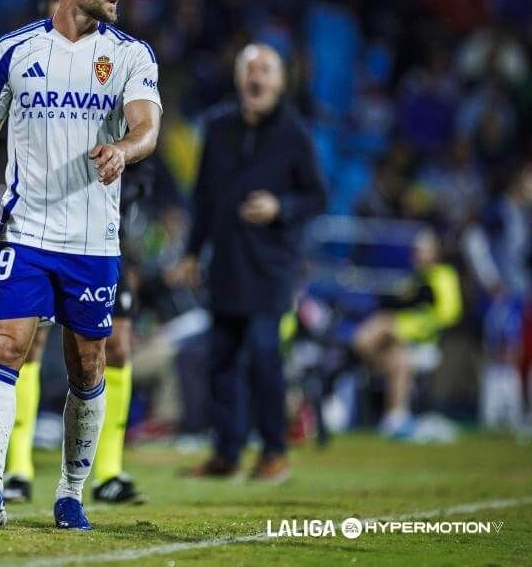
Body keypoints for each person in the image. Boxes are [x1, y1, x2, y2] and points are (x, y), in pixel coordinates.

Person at [0, 0, 161, 531]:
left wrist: (125, 149)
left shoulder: (130, 54)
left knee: (87, 368)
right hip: (25, 232)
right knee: (5, 348)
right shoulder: (13, 51)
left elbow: (147, 125)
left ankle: (71, 491)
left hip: (93, 244)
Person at [171, 44, 327, 483]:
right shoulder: (218, 127)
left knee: (263, 354)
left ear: (280, 82)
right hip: (226, 262)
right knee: (220, 358)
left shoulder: (294, 131)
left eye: (266, 70)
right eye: (250, 69)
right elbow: (202, 196)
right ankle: (226, 452)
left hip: (272, 264)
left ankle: (274, 450)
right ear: (240, 79)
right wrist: (190, 252)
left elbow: (317, 195)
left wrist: (280, 207)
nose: (257, 77)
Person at [2, 159, 154, 506]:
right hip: (42, 233)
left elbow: (144, 168)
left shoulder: (125, 108)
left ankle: (108, 474)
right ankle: (18, 469)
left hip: (103, 237)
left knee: (114, 346)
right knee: (29, 342)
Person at [353, 227, 462, 437]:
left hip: (423, 340)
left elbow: (447, 315)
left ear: (435, 251)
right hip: (399, 337)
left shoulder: (443, 276)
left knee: (384, 335)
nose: (416, 253)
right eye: (415, 249)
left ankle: (395, 415)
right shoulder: (415, 278)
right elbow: (398, 302)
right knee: (397, 358)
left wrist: (405, 327)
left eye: (421, 249)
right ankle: (395, 418)